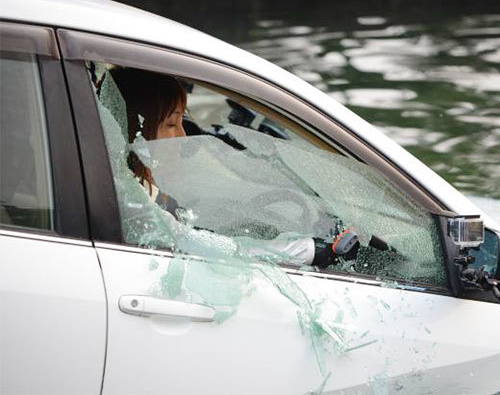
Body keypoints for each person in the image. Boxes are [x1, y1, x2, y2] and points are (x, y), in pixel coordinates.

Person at [109, 67, 359, 267]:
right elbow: (200, 250)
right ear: (136, 130)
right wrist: (308, 250)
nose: (184, 137)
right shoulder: (128, 199)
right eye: (172, 124)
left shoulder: (132, 184)